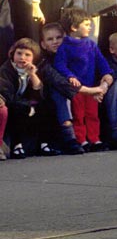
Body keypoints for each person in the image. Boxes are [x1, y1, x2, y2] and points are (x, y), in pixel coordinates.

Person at [56, 7, 117, 151]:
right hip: (77, 89)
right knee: (79, 115)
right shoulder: (65, 46)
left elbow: (101, 62)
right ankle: (81, 140)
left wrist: (107, 73)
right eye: (86, 25)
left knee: (92, 115)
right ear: (74, 27)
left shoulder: (91, 44)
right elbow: (60, 64)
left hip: (93, 86)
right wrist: (70, 76)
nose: (90, 27)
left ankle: (97, 139)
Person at [37, 23, 85, 155]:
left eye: (59, 38)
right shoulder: (43, 60)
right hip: (48, 95)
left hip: (75, 92)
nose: (55, 42)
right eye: (50, 39)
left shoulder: (72, 55)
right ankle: (69, 137)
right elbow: (58, 81)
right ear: (43, 44)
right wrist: (91, 91)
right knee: (58, 92)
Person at [0, 38, 47, 159]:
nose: (22, 57)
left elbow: (39, 94)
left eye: (27, 55)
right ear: (13, 54)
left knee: (46, 106)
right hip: (11, 103)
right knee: (17, 110)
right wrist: (27, 107)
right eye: (19, 53)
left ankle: (43, 143)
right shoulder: (5, 70)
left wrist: (32, 75)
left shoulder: (33, 69)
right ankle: (17, 145)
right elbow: (7, 95)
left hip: (25, 103)